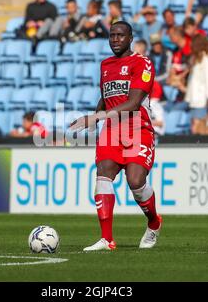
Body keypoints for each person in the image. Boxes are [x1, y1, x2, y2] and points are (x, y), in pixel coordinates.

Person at [70, 21, 162, 251]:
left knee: (135, 181)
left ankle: (154, 222)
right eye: (112, 35)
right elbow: (106, 96)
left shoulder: (143, 63)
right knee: (103, 176)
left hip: (137, 129)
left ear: (131, 38)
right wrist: (94, 117)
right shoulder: (105, 65)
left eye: (120, 35)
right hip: (111, 130)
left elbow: (132, 103)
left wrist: (97, 117)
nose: (115, 39)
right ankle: (107, 239)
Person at [185, 35, 208, 133]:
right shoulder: (197, 60)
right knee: (194, 126)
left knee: (199, 128)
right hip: (195, 100)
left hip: (203, 101)